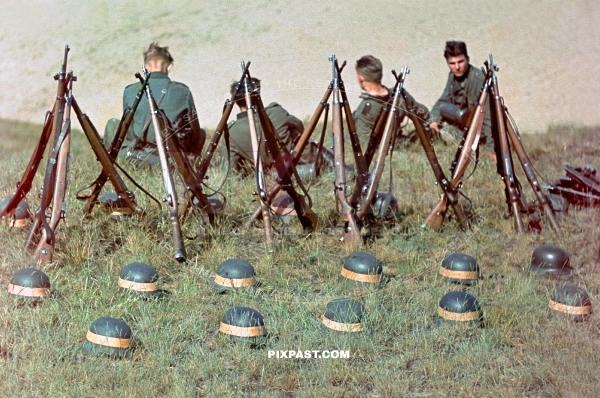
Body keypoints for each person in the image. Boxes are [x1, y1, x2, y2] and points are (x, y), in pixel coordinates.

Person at [103, 42, 205, 165]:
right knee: (202, 133)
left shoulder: (130, 91)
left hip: (139, 154)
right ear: (169, 66)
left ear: (145, 67)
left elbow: (128, 130)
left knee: (112, 125)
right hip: (173, 155)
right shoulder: (183, 91)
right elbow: (195, 131)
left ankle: (121, 162)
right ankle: (188, 164)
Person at [226, 77, 326, 178]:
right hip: (308, 164)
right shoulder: (276, 112)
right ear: (257, 95)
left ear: (235, 101)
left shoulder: (231, 132)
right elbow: (300, 127)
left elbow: (231, 172)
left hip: (275, 176)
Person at [428, 41, 495, 160]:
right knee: (438, 133)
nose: (457, 67)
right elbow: (443, 101)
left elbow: (490, 117)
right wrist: (434, 121)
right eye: (452, 63)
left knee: (447, 134)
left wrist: (491, 149)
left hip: (481, 132)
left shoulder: (479, 80)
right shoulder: (452, 76)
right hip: (465, 126)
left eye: (461, 61)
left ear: (468, 59)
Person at [353, 55, 431, 150]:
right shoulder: (400, 95)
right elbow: (424, 114)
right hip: (400, 142)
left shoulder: (365, 110)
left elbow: (364, 145)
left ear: (360, 78)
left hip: (387, 148)